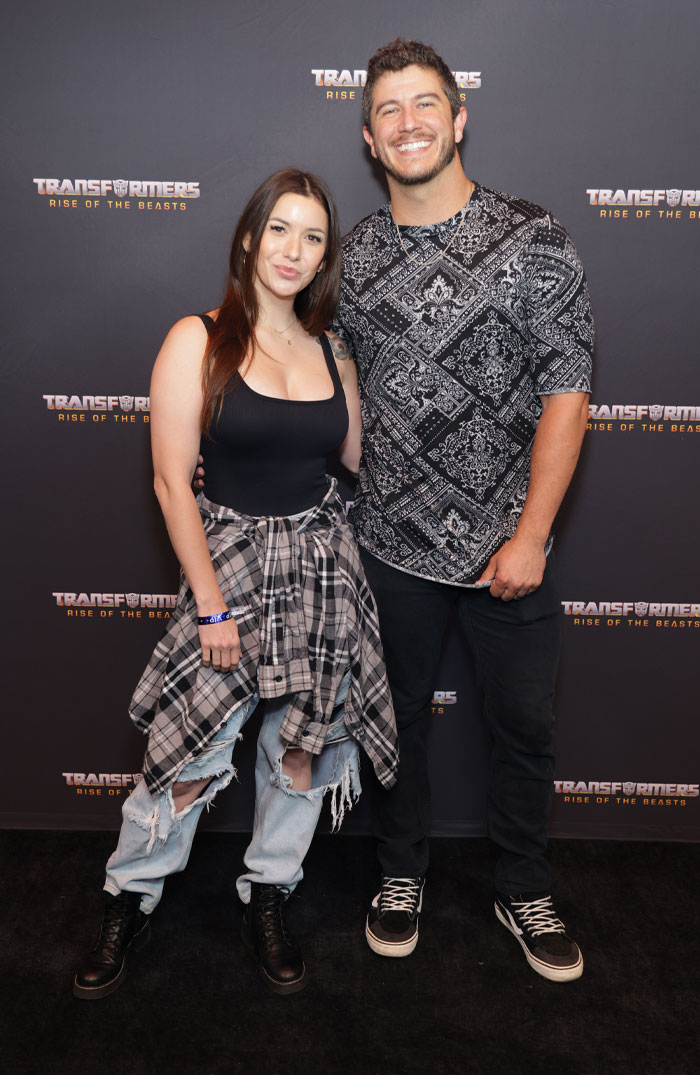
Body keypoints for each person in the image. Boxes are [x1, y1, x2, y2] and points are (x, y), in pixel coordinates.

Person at [72, 168, 398, 1000]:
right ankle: (130, 893)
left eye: (314, 236)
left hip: (324, 567)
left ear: (327, 255)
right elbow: (171, 483)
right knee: (186, 756)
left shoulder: (333, 349)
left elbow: (359, 461)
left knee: (300, 752)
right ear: (250, 238)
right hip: (231, 568)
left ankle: (269, 892)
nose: (295, 250)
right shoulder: (200, 337)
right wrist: (212, 602)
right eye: (280, 230)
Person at [327, 39, 594, 982]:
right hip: (390, 543)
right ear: (369, 136)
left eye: (424, 104)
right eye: (390, 110)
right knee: (395, 722)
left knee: (525, 728)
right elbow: (342, 382)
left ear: (458, 118)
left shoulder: (535, 237)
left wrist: (531, 533)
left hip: (507, 549)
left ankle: (523, 884)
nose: (408, 122)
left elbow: (568, 390)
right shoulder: (352, 256)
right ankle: (399, 873)